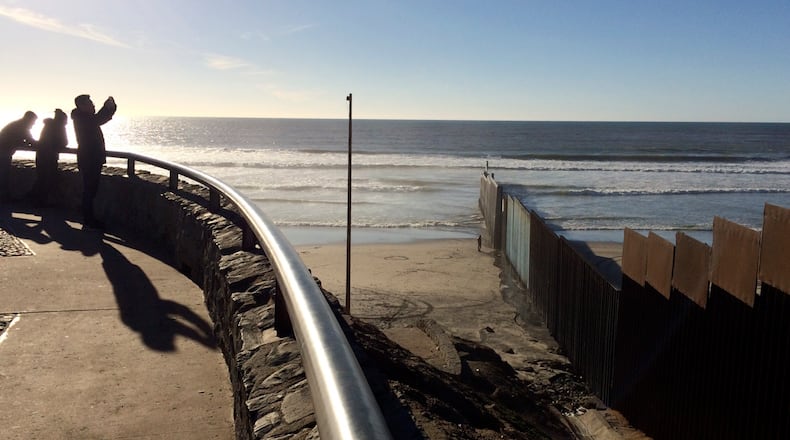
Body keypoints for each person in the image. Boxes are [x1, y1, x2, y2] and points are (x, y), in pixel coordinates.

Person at [71, 94, 116, 229]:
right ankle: (88, 219)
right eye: (90, 103)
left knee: (90, 189)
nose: (93, 105)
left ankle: (87, 216)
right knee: (90, 189)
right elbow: (99, 119)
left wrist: (109, 108)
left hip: (89, 158)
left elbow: (98, 119)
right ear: (82, 106)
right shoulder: (83, 119)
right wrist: (108, 108)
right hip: (89, 158)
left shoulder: (83, 118)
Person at [31, 109, 68, 206]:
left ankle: (37, 200)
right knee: (48, 178)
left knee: (42, 178)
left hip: (41, 154)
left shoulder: (47, 126)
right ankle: (41, 201)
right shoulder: (59, 127)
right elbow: (64, 142)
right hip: (50, 156)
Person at [0, 111, 38, 202]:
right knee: (3, 175)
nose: (33, 124)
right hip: (3, 152)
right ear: (29, 119)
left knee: (3, 175)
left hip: (4, 150)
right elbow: (31, 141)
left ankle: (4, 196)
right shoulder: (22, 127)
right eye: (33, 121)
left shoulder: (17, 125)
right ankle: (3, 197)